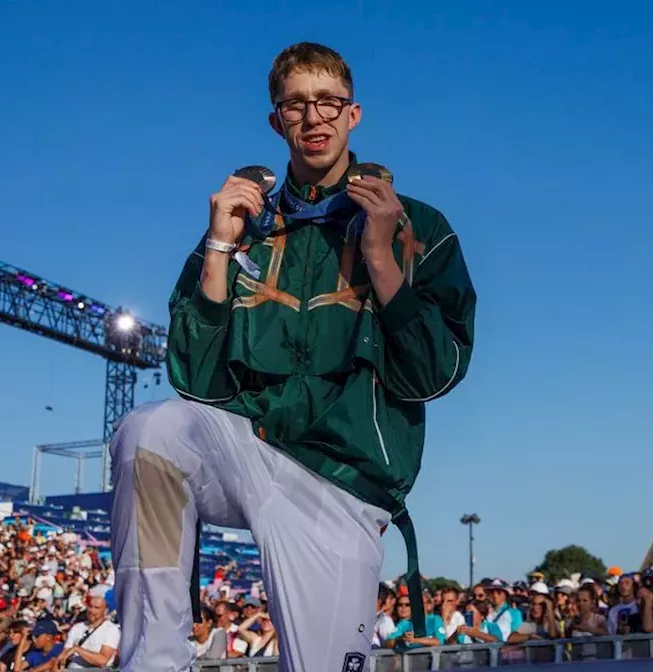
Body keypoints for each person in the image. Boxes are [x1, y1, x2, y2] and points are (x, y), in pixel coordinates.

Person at [108, 41, 477, 672]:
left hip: (341, 482)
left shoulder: (418, 224)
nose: (315, 118)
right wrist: (221, 246)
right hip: (248, 448)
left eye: (329, 102)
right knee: (151, 430)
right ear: (277, 120)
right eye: (296, 105)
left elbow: (435, 376)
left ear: (353, 114)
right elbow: (194, 379)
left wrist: (383, 257)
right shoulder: (243, 222)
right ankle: (153, 662)